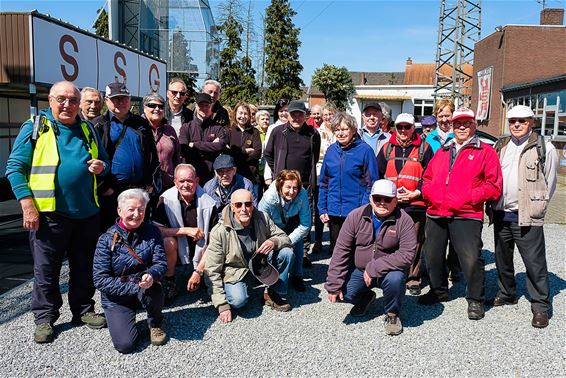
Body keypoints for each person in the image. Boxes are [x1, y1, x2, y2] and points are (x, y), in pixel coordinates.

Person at [6, 81, 110, 343]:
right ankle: (45, 318)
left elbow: (105, 162)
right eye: (61, 99)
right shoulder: (35, 128)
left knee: (83, 266)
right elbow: (14, 168)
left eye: (73, 100)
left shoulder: (87, 128)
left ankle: (83, 309)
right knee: (46, 270)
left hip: (86, 212)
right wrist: (27, 205)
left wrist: (102, 167)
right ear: (50, 100)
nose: (67, 104)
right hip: (50, 214)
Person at [419, 107, 502, 321]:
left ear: (474, 125)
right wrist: (430, 194)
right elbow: (427, 178)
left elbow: (494, 185)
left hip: (466, 214)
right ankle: (439, 290)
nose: (462, 127)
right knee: (432, 255)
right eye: (458, 123)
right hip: (437, 212)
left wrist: (470, 197)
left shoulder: (486, 151)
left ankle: (475, 299)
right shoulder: (444, 150)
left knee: (471, 258)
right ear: (452, 126)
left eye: (466, 123)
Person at [491, 105, 558, 328]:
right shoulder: (500, 145)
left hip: (526, 215)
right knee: (502, 258)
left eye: (521, 121)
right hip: (502, 213)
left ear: (531, 122)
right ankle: (507, 293)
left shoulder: (544, 147)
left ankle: (540, 306)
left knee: (534, 262)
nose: (516, 125)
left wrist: (538, 207)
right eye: (512, 121)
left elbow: (550, 181)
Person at [325, 180, 417, 336]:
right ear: (370, 199)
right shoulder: (355, 216)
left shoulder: (405, 220)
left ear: (395, 200)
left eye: (387, 199)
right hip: (360, 270)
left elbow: (407, 254)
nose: (382, 203)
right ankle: (365, 298)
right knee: (341, 293)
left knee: (396, 279)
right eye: (377, 198)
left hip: (388, 271)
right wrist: (334, 283)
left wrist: (375, 267)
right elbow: (341, 250)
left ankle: (392, 314)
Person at [93, 189, 168, 353]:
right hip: (117, 297)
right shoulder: (106, 239)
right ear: (119, 211)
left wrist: (152, 274)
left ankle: (155, 322)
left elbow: (161, 263)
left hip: (146, 287)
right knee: (125, 345)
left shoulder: (152, 232)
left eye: (141, 209)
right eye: (131, 209)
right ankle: (124, 317)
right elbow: (100, 279)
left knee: (155, 286)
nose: (136, 214)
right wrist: (136, 286)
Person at [205, 189, 295, 323]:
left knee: (287, 253)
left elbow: (285, 238)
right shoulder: (220, 231)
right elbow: (211, 270)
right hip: (236, 271)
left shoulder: (262, 218)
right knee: (238, 301)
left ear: (253, 205)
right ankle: (233, 288)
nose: (244, 209)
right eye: (238, 205)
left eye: (248, 204)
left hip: (259, 265)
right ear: (232, 207)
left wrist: (274, 241)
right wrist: (221, 305)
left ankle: (273, 293)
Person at [377, 113, 433, 296]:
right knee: (390, 241)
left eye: (406, 127)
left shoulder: (424, 148)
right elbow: (378, 175)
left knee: (415, 242)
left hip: (415, 203)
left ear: (412, 128)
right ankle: (392, 274)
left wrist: (416, 192)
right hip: (391, 205)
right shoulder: (386, 148)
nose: (402, 130)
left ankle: (413, 278)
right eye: (399, 127)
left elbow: (430, 176)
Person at [93, 81, 160, 230]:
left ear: (130, 100)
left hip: (139, 191)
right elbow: (91, 160)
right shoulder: (98, 125)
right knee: (112, 233)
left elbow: (152, 156)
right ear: (107, 100)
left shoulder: (141, 123)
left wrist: (150, 183)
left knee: (139, 232)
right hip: (112, 193)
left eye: (124, 98)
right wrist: (104, 187)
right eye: (116, 98)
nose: (121, 102)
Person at [152, 164, 218, 304]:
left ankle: (203, 273)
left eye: (190, 180)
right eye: (182, 181)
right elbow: (156, 230)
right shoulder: (165, 200)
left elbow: (216, 240)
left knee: (214, 237)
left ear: (197, 181)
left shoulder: (209, 203)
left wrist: (198, 272)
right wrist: (185, 231)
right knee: (167, 242)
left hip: (202, 247)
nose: (186, 185)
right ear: (175, 182)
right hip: (177, 246)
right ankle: (169, 282)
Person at [318, 112, 379, 256]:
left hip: (355, 211)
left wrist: (364, 209)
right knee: (336, 251)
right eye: (337, 130)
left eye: (344, 129)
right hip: (334, 211)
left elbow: (372, 184)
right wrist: (322, 208)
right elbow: (324, 182)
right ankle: (335, 278)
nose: (340, 133)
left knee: (354, 251)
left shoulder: (365, 151)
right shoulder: (331, 150)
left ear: (353, 130)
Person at [259, 169, 311, 292]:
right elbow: (261, 223)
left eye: (295, 188)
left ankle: (297, 275)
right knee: (279, 251)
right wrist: (276, 241)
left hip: (291, 223)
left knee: (297, 239)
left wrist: (288, 240)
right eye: (288, 187)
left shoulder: (302, 194)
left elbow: (305, 224)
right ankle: (269, 275)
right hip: (271, 228)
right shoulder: (269, 197)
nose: (292, 191)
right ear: (280, 185)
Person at [425, 98, 459, 282]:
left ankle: (455, 266)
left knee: (456, 235)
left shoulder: (460, 135)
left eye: (448, 115)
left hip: (455, 193)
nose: (445, 119)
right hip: (436, 194)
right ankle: (437, 271)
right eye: (441, 115)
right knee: (436, 237)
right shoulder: (429, 139)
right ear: (436, 117)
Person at [263, 100, 321, 190]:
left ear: (305, 116)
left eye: (300, 115)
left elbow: (315, 157)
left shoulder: (313, 133)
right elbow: (268, 154)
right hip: (283, 184)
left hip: (305, 185)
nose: (296, 118)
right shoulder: (278, 131)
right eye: (293, 115)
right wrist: (278, 170)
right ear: (288, 116)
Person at [179, 92, 228, 183]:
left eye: (207, 105)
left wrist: (194, 144)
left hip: (211, 176)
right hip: (190, 177)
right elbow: (184, 150)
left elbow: (221, 146)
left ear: (211, 106)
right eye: (201, 105)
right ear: (196, 106)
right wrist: (211, 147)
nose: (204, 108)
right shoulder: (186, 127)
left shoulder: (218, 128)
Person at [143, 92, 180, 191]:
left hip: (168, 186)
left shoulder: (170, 130)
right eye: (152, 105)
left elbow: (176, 158)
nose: (157, 109)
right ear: (144, 107)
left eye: (161, 106)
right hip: (144, 187)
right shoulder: (137, 129)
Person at [312, 104, 336, 254]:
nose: (327, 117)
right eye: (325, 114)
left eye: (330, 114)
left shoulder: (339, 131)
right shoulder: (317, 132)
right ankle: (318, 240)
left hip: (335, 173)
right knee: (319, 207)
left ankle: (334, 243)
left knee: (333, 207)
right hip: (319, 171)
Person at [226, 102, 262, 187]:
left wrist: (235, 154)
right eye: (240, 113)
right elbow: (226, 152)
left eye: (245, 114)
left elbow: (258, 153)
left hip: (251, 177)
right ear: (235, 114)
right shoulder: (228, 130)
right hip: (233, 177)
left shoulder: (254, 132)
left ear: (249, 116)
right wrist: (245, 151)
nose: (243, 116)